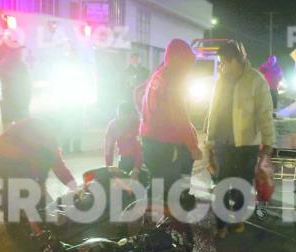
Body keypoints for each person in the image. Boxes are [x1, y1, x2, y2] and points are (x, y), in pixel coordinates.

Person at [205, 40, 274, 238]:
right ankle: (221, 224)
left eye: (223, 62)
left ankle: (237, 219)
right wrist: (209, 139)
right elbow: (213, 111)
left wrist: (268, 142)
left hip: (247, 144)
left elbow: (265, 114)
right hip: (223, 143)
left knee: (243, 183)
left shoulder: (256, 81)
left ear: (235, 61)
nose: (222, 67)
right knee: (222, 183)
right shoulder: (220, 81)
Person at [139, 39, 201, 198]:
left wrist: (147, 118)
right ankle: (173, 216)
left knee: (157, 184)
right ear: (181, 63)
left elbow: (138, 92)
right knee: (171, 190)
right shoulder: (174, 79)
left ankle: (148, 218)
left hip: (149, 139)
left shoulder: (158, 74)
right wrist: (193, 147)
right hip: (165, 144)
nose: (188, 71)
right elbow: (180, 117)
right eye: (188, 66)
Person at [0, 116, 77, 224]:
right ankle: (10, 210)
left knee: (24, 182)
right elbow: (34, 166)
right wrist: (40, 188)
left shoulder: (49, 140)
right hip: (0, 156)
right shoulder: (36, 132)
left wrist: (74, 186)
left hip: (6, 155)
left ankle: (5, 201)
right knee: (22, 181)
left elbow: (58, 165)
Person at [105, 102, 143, 176]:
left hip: (142, 158)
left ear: (131, 116)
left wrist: (136, 168)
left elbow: (140, 149)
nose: (122, 120)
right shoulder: (113, 125)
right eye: (120, 116)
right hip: (125, 158)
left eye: (126, 118)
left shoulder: (139, 125)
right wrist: (109, 166)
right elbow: (108, 148)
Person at [0, 45, 32, 127]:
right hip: (11, 100)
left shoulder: (23, 65)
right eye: (18, 51)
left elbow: (27, 83)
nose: (21, 54)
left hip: (22, 100)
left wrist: (28, 96)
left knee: (23, 122)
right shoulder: (5, 65)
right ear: (12, 53)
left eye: (20, 52)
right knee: (11, 123)